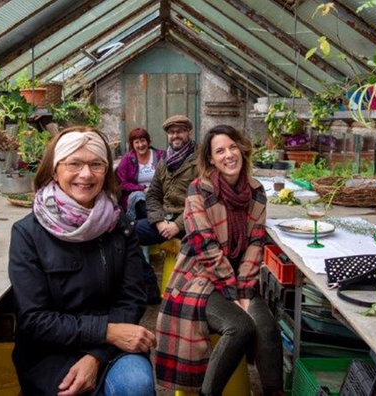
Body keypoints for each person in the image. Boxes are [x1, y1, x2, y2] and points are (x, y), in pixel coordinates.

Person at [8, 126, 156, 396]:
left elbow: (132, 299)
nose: (86, 174)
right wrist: (106, 333)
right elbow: (35, 319)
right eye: (74, 163)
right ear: (55, 169)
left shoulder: (119, 226)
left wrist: (96, 354)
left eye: (96, 165)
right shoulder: (28, 233)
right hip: (50, 352)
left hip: (113, 349)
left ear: (106, 171)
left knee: (136, 384)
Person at [154, 125, 283, 395]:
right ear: (211, 159)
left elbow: (256, 242)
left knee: (267, 328)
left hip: (239, 277)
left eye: (232, 147)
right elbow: (205, 246)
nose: (228, 155)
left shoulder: (256, 191)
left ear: (242, 149)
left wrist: (245, 289)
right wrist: (231, 290)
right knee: (239, 327)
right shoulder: (199, 190)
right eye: (220, 151)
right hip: (199, 275)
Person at [134, 115, 199, 304]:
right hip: (165, 222)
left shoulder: (200, 160)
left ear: (189, 132)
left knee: (195, 254)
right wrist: (159, 221)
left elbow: (202, 200)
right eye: (171, 132)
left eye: (180, 131)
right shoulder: (165, 161)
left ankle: (183, 301)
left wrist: (177, 226)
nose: (175, 135)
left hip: (191, 225)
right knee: (124, 233)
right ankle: (150, 289)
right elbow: (153, 194)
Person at [116, 127, 166, 220]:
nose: (140, 145)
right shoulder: (127, 159)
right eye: (136, 142)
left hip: (159, 193)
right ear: (132, 145)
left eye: (143, 141)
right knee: (140, 199)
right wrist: (143, 189)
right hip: (138, 197)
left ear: (149, 142)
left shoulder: (160, 155)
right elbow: (122, 183)